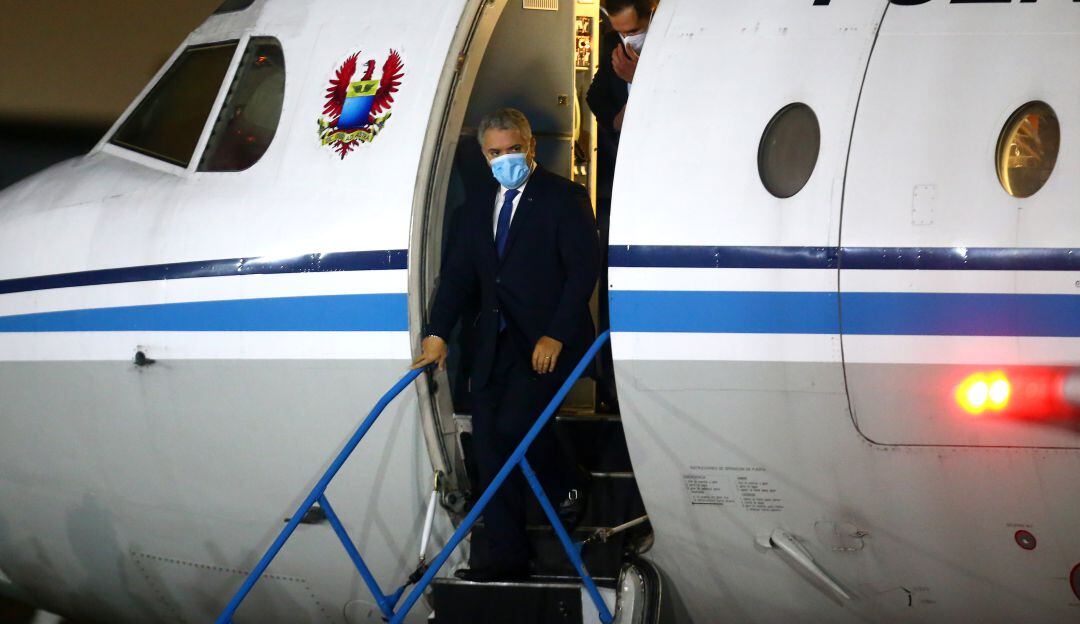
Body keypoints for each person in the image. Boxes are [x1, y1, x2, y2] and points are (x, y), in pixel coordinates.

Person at [413, 108, 600, 582]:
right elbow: (457, 279)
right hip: (493, 345)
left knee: (517, 424)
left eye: (513, 149)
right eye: (495, 153)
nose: (505, 159)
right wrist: (436, 334)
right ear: (483, 155)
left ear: (530, 145)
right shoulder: (475, 209)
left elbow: (582, 271)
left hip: (545, 341)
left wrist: (556, 333)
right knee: (491, 447)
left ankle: (568, 482)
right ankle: (506, 559)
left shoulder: (563, 198)